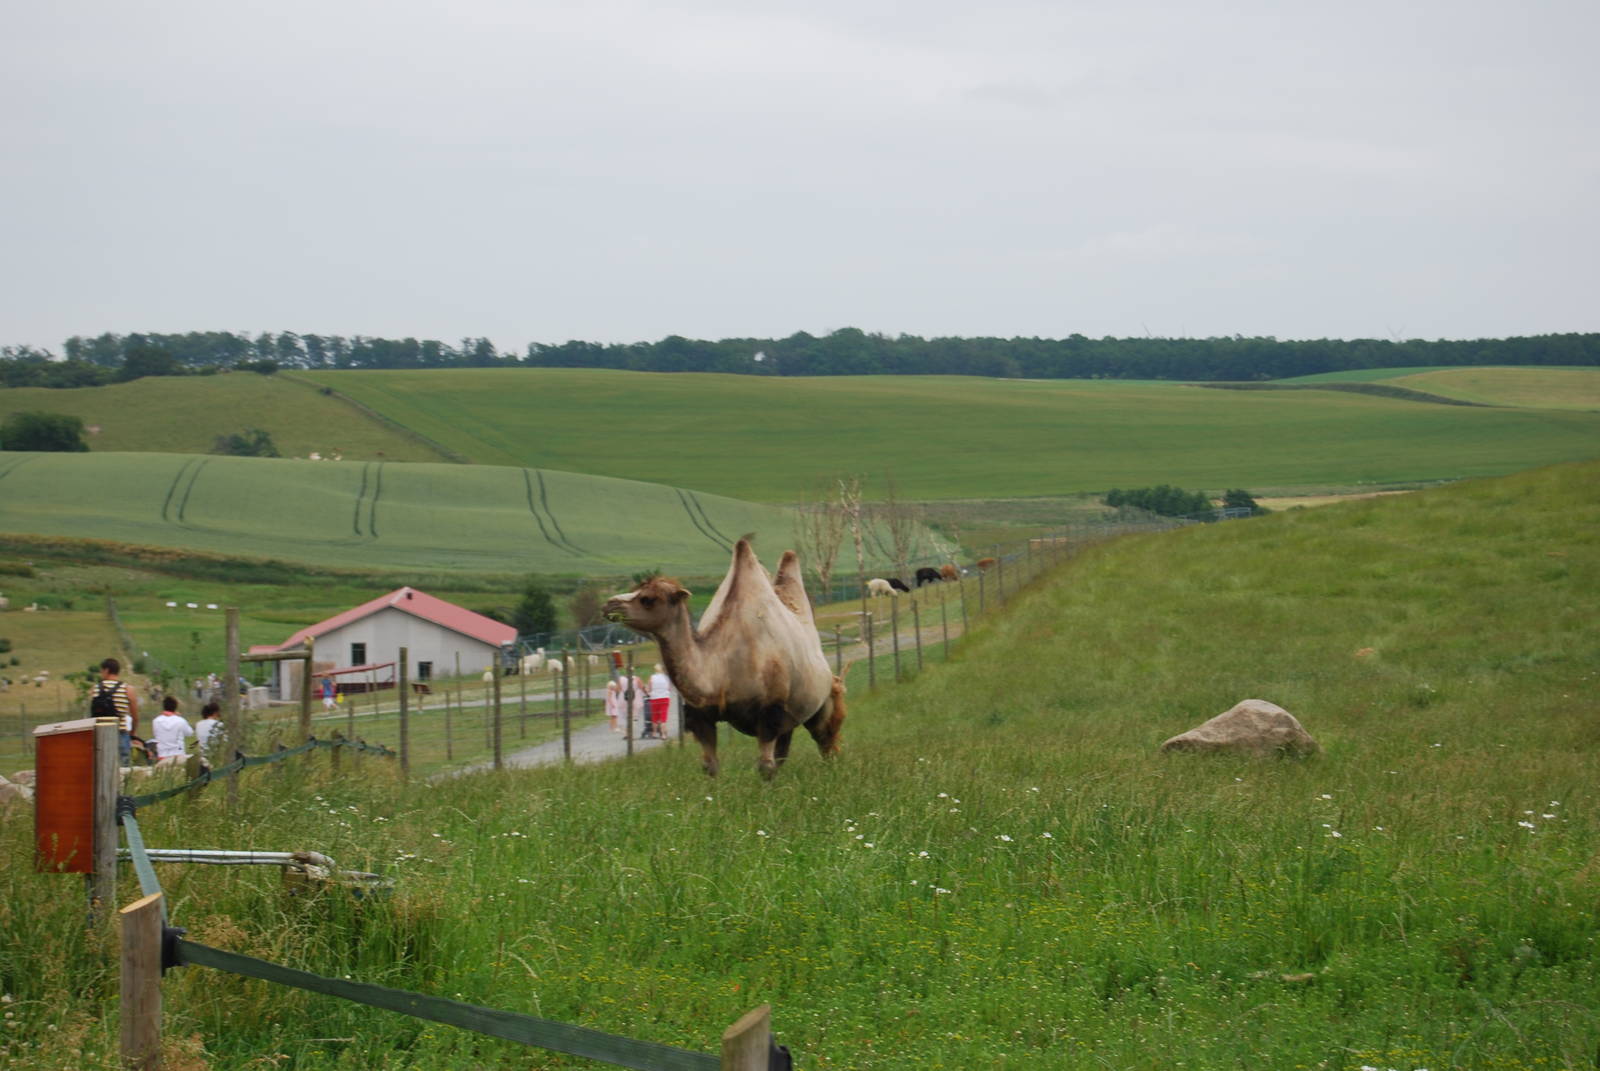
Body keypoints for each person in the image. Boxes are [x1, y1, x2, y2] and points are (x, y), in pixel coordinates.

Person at [94, 658, 140, 766]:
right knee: (123, 770)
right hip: (120, 733)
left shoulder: (95, 689)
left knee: (102, 768)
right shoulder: (127, 689)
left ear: (106, 670)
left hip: (100, 735)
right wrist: (132, 733)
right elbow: (135, 717)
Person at [150, 696, 195, 767]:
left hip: (162, 757)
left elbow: (156, 734)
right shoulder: (180, 720)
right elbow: (190, 733)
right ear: (175, 707)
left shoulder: (155, 721)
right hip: (178, 756)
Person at [647, 663, 673, 739]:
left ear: (655, 670)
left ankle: (654, 733)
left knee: (655, 717)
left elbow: (649, 689)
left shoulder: (652, 677)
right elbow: (669, 688)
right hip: (664, 698)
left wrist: (649, 693)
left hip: (654, 699)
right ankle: (663, 735)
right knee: (663, 718)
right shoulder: (666, 678)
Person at [196, 701, 225, 766]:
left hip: (202, 756)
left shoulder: (198, 724)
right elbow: (225, 741)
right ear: (215, 713)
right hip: (213, 756)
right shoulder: (219, 724)